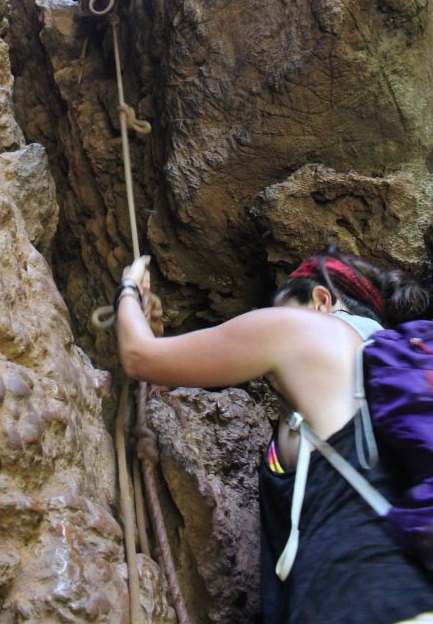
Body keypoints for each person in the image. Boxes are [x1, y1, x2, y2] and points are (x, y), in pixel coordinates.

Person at [115, 246, 433, 624]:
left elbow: (140, 356)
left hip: (362, 597)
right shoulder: (400, 387)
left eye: (282, 306)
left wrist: (129, 291)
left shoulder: (308, 332)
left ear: (320, 299)